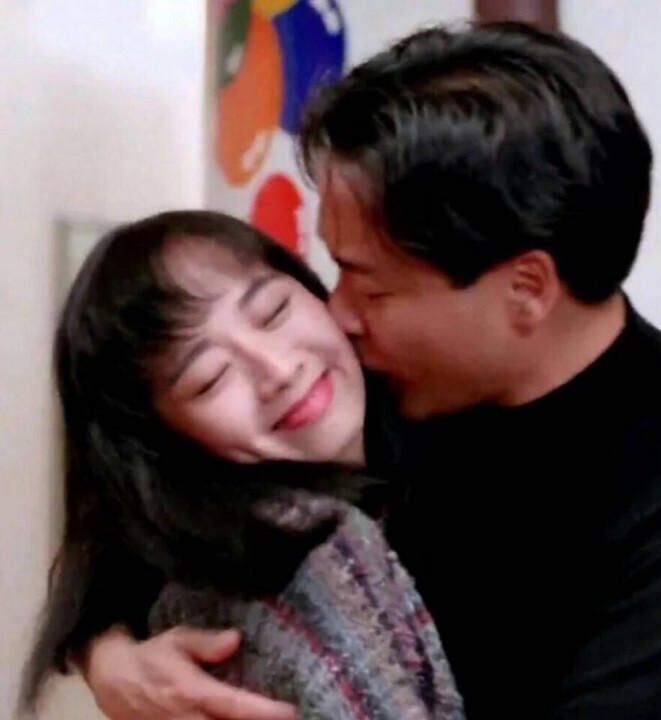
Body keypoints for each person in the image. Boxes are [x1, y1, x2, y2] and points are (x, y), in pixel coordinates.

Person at [74, 21, 661, 719]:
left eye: (372, 286)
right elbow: (144, 509)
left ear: (527, 289)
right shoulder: (374, 373)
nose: (338, 315)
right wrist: (111, 658)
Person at [20, 210, 464, 720]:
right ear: (165, 443)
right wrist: (108, 655)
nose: (278, 370)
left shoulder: (450, 408)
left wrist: (104, 654)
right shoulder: (284, 564)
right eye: (210, 378)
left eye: (273, 311)